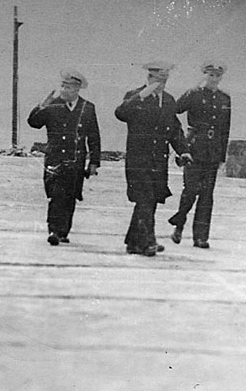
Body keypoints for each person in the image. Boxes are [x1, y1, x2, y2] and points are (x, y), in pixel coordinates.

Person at [115, 61, 191, 256]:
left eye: (164, 81)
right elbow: (121, 113)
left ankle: (134, 242)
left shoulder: (169, 100)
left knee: (151, 200)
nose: (161, 85)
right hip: (138, 160)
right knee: (145, 199)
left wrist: (183, 150)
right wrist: (141, 96)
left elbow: (174, 129)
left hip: (158, 160)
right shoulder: (134, 96)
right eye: (157, 81)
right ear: (149, 78)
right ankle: (147, 242)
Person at [27, 69, 101, 245]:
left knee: (70, 196)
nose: (64, 90)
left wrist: (94, 162)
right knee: (56, 195)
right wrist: (41, 107)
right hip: (55, 159)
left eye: (68, 87)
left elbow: (94, 136)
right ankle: (54, 230)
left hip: (75, 160)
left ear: (77, 89)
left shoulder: (87, 107)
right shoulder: (52, 105)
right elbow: (34, 123)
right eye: (63, 86)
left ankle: (63, 231)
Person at [168, 60, 232, 249]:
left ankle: (201, 237)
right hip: (194, 148)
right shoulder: (194, 94)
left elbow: (225, 128)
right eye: (210, 75)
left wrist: (222, 156)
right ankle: (179, 224)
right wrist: (182, 138)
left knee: (207, 195)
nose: (214, 79)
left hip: (213, 150)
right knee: (190, 190)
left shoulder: (224, 98)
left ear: (221, 78)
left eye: (217, 76)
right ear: (204, 75)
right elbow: (175, 110)